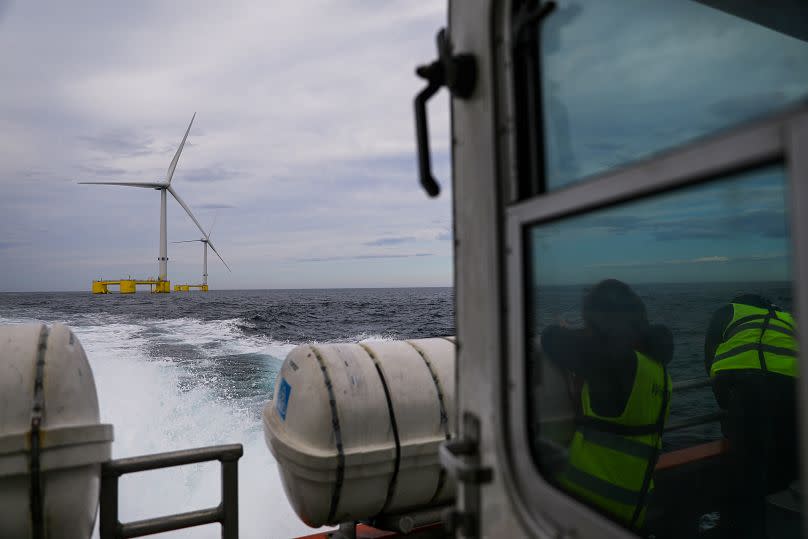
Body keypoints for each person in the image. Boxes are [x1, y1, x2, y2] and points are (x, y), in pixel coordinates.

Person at [540, 279, 673, 531]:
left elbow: (551, 339)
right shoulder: (658, 371)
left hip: (586, 509)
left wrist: (574, 332)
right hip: (631, 510)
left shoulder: (616, 364)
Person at [704, 294, 798, 538]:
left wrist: (727, 405)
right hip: (794, 388)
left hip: (747, 388)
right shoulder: (788, 318)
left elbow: (710, 359)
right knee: (786, 467)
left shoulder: (728, 309)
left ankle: (740, 528)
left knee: (748, 475)